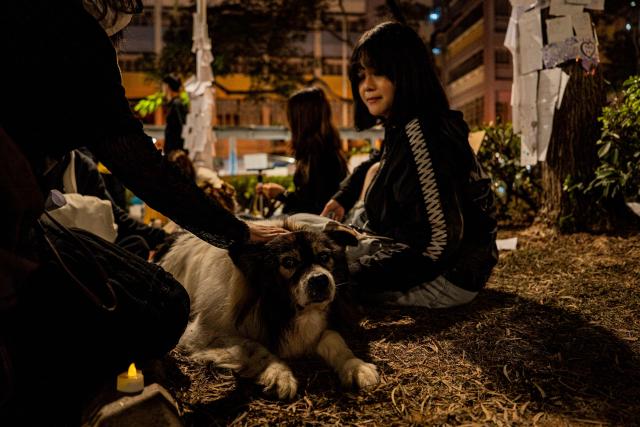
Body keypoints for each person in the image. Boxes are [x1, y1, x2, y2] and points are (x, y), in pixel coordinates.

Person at [0, 1, 285, 422]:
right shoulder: (71, 31)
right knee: (163, 304)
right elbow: (136, 160)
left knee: (139, 270)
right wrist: (236, 232)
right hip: (12, 237)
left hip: (25, 224)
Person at [320, 21, 498, 308]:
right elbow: (378, 162)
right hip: (419, 255)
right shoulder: (405, 125)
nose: (367, 86)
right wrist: (343, 196)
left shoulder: (424, 134)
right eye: (361, 75)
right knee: (311, 236)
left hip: (447, 276)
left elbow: (437, 242)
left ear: (405, 73)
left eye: (379, 72)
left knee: (316, 279)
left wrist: (354, 276)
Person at [257, 87, 349, 215]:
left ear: (301, 121)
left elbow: (315, 207)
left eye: (291, 118)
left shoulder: (321, 157)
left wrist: (282, 194)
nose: (289, 124)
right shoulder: (321, 152)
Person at [162, 74, 188, 155]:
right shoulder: (174, 104)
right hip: (173, 150)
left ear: (168, 87)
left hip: (175, 152)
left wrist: (177, 151)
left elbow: (181, 127)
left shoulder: (176, 104)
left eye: (163, 86)